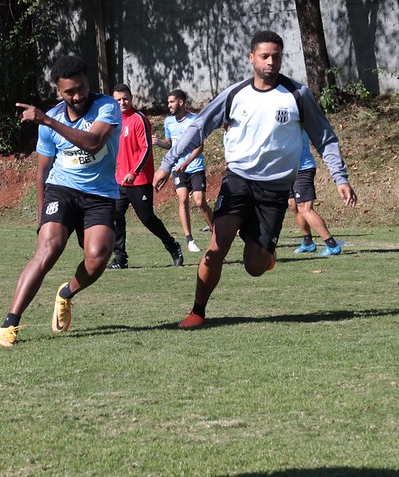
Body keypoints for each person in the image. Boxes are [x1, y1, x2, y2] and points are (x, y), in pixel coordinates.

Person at [152, 30, 357, 329]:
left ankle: (261, 249)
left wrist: (340, 176)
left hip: (274, 190)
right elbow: (198, 128)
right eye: (264, 56)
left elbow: (324, 138)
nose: (271, 62)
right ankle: (197, 311)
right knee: (215, 249)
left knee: (255, 266)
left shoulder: (297, 95)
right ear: (252, 58)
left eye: (276, 56)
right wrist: (168, 164)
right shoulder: (235, 94)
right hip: (238, 181)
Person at [0, 55, 122, 347]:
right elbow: (42, 172)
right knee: (49, 248)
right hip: (61, 189)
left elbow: (93, 142)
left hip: (100, 194)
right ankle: (8, 325)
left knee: (98, 257)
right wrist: (42, 218)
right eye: (70, 92)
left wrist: (47, 119)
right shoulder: (49, 121)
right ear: (58, 92)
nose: (78, 96)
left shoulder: (107, 107)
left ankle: (66, 293)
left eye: (82, 88)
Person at [106, 84, 184, 269]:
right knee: (115, 215)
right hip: (119, 180)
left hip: (138, 179)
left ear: (131, 99)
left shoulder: (139, 119)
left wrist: (134, 172)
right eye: (118, 100)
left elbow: (147, 148)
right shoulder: (113, 120)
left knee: (147, 218)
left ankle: (172, 245)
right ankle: (120, 258)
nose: (122, 102)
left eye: (125, 98)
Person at [163, 89, 214, 252]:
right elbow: (169, 144)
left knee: (199, 201)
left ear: (181, 102)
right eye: (168, 102)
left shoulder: (194, 120)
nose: (168, 105)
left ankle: (216, 231)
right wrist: (158, 143)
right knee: (183, 199)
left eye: (171, 102)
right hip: (178, 169)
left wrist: (187, 162)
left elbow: (200, 146)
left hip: (195, 167)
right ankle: (189, 240)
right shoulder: (168, 122)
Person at [289, 131, 343, 256]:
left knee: (304, 207)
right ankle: (308, 243)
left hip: (303, 168)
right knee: (293, 205)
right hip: (287, 169)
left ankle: (332, 245)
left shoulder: (298, 114)